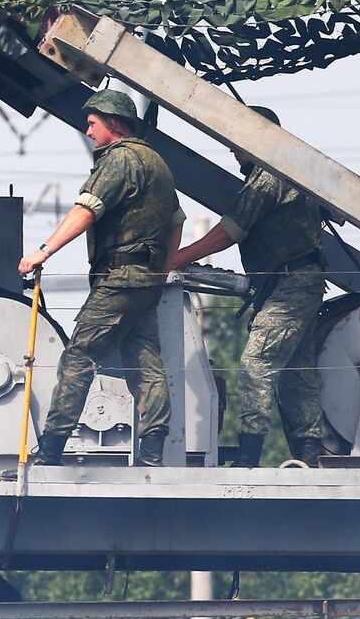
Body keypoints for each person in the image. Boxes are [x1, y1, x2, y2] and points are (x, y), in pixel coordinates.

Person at [17, 89, 183, 467]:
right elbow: (177, 220)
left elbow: (87, 208)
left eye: (92, 124)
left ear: (114, 123)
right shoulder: (157, 163)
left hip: (119, 279)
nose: (88, 131)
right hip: (146, 281)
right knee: (145, 362)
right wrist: (164, 266)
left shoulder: (120, 160)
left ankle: (52, 450)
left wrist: (44, 250)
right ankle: (153, 454)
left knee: (79, 357)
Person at [168, 106, 328, 467]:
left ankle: (249, 455)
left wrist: (179, 258)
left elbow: (231, 230)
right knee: (296, 374)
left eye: (238, 142)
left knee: (256, 363)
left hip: (291, 283)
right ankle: (309, 452)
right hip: (290, 282)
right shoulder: (288, 172)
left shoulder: (269, 176)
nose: (233, 150)